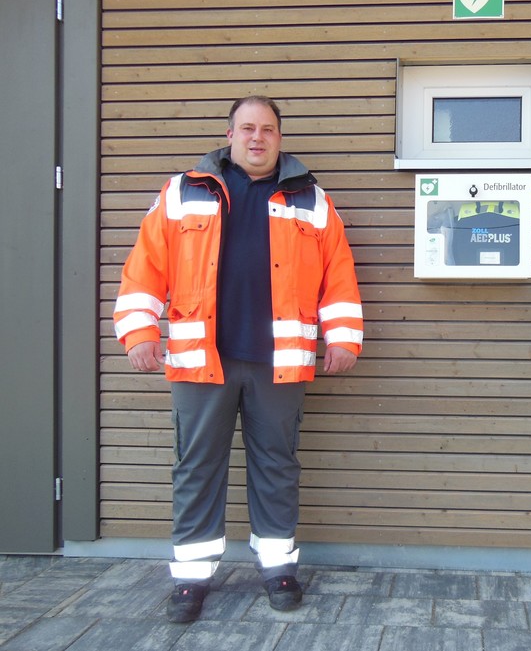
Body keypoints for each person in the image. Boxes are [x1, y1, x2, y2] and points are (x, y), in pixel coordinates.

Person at [113, 96, 363, 623]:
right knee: (196, 467)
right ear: (228, 135)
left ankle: (278, 568)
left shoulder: (312, 200)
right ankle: (190, 579)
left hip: (279, 362)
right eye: (247, 128)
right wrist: (138, 330)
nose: (257, 138)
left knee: (277, 465)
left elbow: (337, 275)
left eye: (267, 130)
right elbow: (145, 267)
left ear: (279, 138)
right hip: (201, 358)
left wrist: (343, 338)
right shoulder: (183, 192)